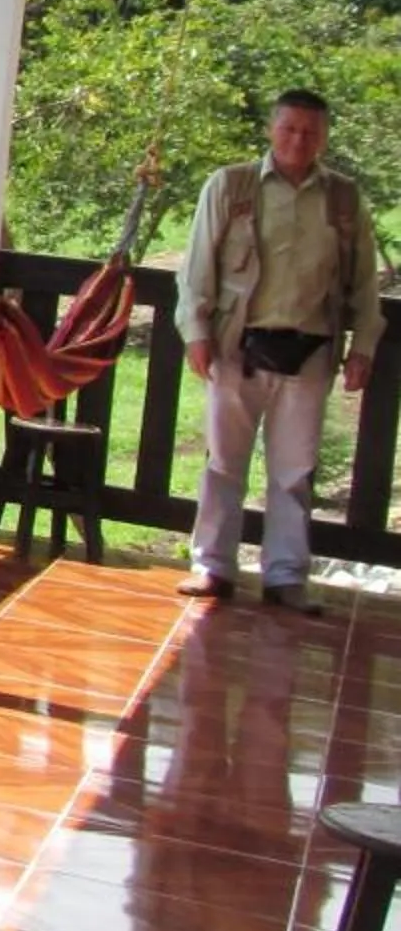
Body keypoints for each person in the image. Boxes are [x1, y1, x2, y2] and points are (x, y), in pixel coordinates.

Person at [174, 90, 381, 611]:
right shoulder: (232, 185)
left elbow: (362, 281)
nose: (299, 140)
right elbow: (198, 266)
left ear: (325, 137)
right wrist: (195, 332)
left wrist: (365, 343)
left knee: (294, 470)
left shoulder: (343, 198)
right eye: (289, 129)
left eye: (311, 132)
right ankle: (212, 566)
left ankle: (286, 575)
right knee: (223, 462)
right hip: (237, 346)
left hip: (310, 350)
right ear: (271, 129)